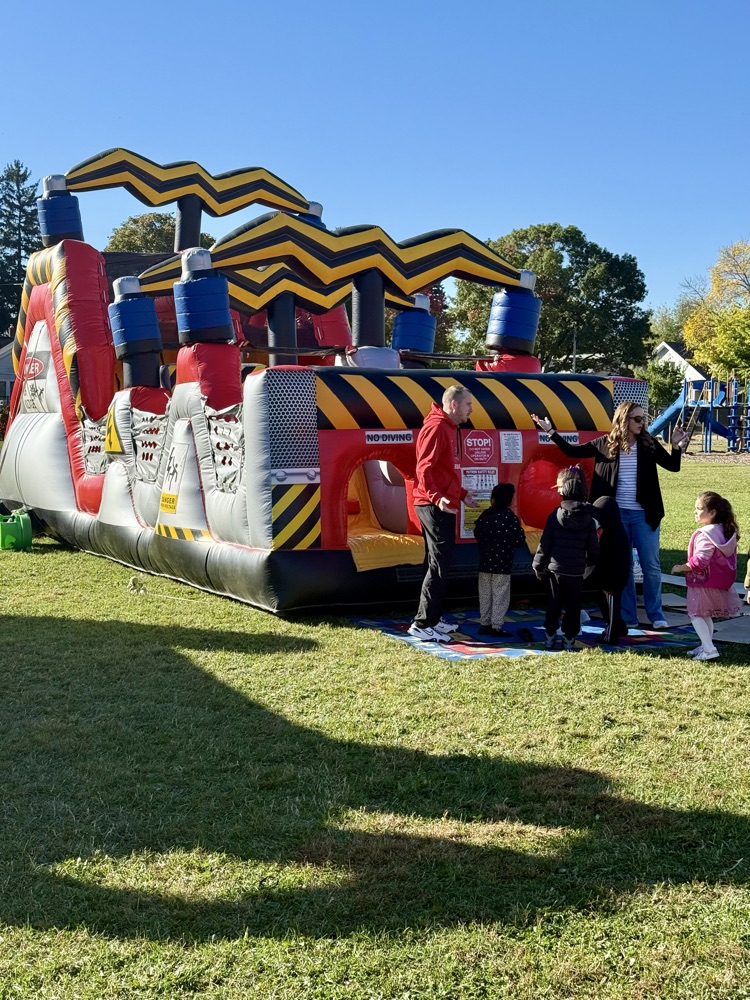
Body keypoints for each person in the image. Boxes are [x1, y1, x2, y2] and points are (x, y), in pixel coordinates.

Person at [531, 401, 690, 630]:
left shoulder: (647, 444)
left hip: (645, 515)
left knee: (651, 567)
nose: (641, 423)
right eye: (636, 419)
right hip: (617, 517)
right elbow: (571, 451)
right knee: (621, 568)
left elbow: (672, 466)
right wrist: (550, 430)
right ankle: (628, 616)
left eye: (642, 418)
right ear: (623, 420)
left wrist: (675, 446)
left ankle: (656, 614)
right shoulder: (605, 444)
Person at [408, 385, 478, 642]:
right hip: (432, 504)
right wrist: (437, 499)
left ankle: (433, 619)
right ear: (454, 405)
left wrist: (461, 494)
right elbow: (423, 469)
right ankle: (422, 623)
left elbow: (444, 471)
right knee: (438, 564)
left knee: (439, 562)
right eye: (468, 404)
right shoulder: (437, 427)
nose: (471, 409)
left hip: (440, 502)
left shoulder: (448, 427)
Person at [532, 466, 599, 652]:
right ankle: (569, 638)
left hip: (555, 570)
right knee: (573, 606)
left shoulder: (555, 515)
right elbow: (593, 546)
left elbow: (545, 543)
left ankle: (550, 636)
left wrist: (538, 564)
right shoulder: (588, 519)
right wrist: (592, 562)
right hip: (576, 571)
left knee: (553, 604)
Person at [671, 491, 740, 661]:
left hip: (703, 582)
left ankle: (709, 649)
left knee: (695, 614)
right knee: (705, 614)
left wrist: (681, 568)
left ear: (712, 512)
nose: (694, 511)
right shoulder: (723, 530)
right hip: (719, 581)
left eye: (698, 508)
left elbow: (700, 561)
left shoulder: (706, 534)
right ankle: (706, 644)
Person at [473, 482, 525, 637]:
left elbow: (478, 534)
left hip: (485, 564)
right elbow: (519, 540)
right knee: (500, 595)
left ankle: (484, 624)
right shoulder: (510, 518)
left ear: (493, 498)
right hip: (502, 565)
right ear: (510, 500)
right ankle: (496, 626)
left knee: (485, 594)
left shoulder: (485, 516)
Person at [588, 496, 631, 644]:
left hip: (613, 578)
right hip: (605, 575)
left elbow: (617, 562)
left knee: (612, 606)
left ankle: (611, 634)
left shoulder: (616, 535)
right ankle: (619, 626)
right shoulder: (608, 530)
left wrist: (611, 582)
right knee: (605, 603)